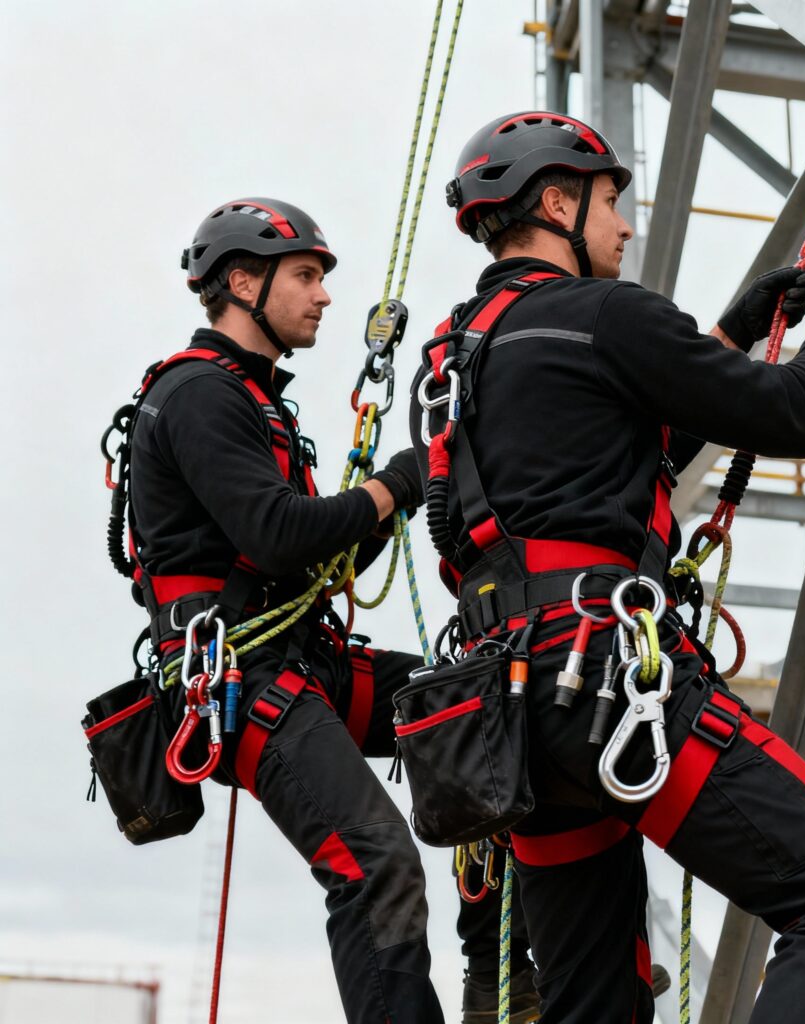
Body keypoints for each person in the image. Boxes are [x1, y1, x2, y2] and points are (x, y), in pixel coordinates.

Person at [411, 113, 805, 1023]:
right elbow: (795, 412)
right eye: (610, 201)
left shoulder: (449, 361)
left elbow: (607, 448)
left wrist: (728, 333)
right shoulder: (606, 314)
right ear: (557, 204)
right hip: (602, 675)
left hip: (511, 720)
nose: (624, 225)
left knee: (593, 1006)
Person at [125, 198, 443, 1022]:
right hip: (239, 673)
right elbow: (277, 537)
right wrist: (395, 484)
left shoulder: (255, 401)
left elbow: (317, 564)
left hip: (293, 657)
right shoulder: (198, 394)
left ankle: (499, 975)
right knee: (375, 863)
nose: (324, 295)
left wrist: (395, 499)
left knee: (480, 714)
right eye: (305, 275)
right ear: (242, 283)